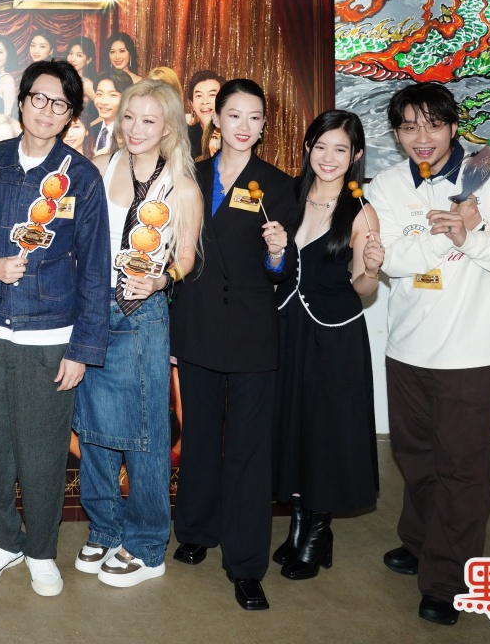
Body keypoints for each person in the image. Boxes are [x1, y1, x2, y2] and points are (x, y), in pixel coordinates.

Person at [366, 81, 490, 626]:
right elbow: (389, 259)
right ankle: (421, 540)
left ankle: (448, 579)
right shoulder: (387, 186)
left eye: (433, 124)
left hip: (474, 349)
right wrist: (446, 235)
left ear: (453, 125)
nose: (421, 137)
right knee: (416, 457)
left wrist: (474, 235)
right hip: (409, 347)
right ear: (396, 134)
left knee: (462, 469)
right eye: (409, 127)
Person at [0, 59, 111, 597]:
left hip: (50, 336)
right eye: (38, 98)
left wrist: (83, 349)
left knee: (43, 453)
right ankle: (1, 541)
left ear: (70, 116)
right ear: (21, 102)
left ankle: (41, 549)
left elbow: (95, 268)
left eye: (59, 104)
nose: (46, 111)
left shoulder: (80, 178)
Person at [167, 78, 297, 612]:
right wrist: (172, 333)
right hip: (196, 327)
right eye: (235, 115)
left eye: (255, 117)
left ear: (264, 126)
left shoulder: (278, 185)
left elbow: (283, 272)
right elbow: (172, 257)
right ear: (215, 118)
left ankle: (246, 565)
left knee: (248, 451)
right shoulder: (188, 177)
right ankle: (197, 529)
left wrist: (277, 254)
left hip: (251, 334)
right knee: (198, 436)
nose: (244, 126)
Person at [74, 80, 201, 588]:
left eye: (148, 120)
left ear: (168, 127)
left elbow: (186, 258)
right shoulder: (100, 167)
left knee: (145, 434)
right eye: (129, 117)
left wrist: (160, 280)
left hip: (142, 311)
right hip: (91, 308)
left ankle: (147, 546)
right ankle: (105, 529)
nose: (135, 128)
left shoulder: (181, 185)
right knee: (92, 427)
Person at [271, 110, 383, 582]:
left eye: (341, 149)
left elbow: (363, 288)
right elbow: (275, 267)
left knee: (325, 432)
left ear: (356, 155)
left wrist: (371, 267)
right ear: (308, 148)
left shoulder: (361, 211)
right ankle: (300, 524)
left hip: (334, 337)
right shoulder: (288, 196)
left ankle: (317, 532)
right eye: (321, 146)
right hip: (288, 330)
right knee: (292, 426)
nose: (329, 157)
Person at [90, 71, 133, 157]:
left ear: (127, 98)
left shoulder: (130, 134)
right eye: (99, 94)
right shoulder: (92, 131)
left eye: (113, 95)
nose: (103, 102)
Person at [186, 70, 223, 156]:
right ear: (192, 104)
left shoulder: (233, 135)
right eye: (199, 96)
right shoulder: (186, 138)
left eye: (212, 95)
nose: (205, 102)